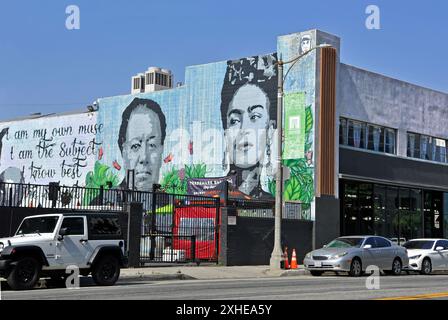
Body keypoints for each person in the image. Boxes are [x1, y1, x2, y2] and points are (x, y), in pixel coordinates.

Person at [220, 54, 278, 199]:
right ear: (225, 133)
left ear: (270, 130)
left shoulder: (271, 201)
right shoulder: (213, 195)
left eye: (255, 117)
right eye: (234, 120)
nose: (244, 129)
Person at [118, 98, 167, 192]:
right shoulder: (104, 201)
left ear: (161, 150)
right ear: (124, 152)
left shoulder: (169, 202)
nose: (144, 157)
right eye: (135, 146)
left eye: (152, 145)